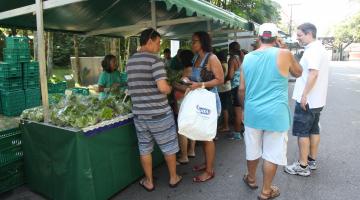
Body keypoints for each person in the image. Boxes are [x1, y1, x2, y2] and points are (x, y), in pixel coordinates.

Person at [239, 23, 302, 200]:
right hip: (276, 114)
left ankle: (251, 179)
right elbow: (298, 72)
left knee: (252, 149)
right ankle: (266, 191)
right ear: (276, 38)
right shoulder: (284, 54)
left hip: (253, 112)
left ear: (258, 38)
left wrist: (244, 109)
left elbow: (241, 90)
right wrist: (284, 48)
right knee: (272, 153)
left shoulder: (248, 58)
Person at [126, 28, 182, 191]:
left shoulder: (130, 62)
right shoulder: (155, 60)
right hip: (159, 114)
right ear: (149, 41)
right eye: (157, 43)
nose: (159, 47)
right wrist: (170, 88)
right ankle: (173, 178)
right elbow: (163, 88)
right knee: (169, 147)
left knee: (145, 148)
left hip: (140, 115)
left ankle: (149, 181)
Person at [285, 23, 329, 177]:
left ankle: (302, 166)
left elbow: (313, 74)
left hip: (308, 100)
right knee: (314, 129)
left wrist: (304, 95)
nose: (298, 38)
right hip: (317, 100)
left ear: (309, 33)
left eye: (300, 35)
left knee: (303, 132)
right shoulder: (319, 48)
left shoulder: (313, 50)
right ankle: (311, 160)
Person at [184, 31, 224, 182]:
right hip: (199, 102)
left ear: (202, 42)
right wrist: (187, 79)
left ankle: (209, 171)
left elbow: (220, 79)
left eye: (195, 41)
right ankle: (207, 163)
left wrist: (201, 84)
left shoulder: (211, 58)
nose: (192, 44)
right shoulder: (196, 58)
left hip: (209, 102)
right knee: (203, 134)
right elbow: (195, 78)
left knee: (208, 137)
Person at [172, 49, 196, 164]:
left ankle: (184, 156)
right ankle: (191, 150)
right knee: (191, 126)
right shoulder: (195, 69)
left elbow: (187, 88)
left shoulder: (187, 70)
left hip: (184, 103)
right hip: (191, 102)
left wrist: (174, 84)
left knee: (182, 130)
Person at [226, 41, 244, 140]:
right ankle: (243, 130)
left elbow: (230, 75)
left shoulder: (232, 60)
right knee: (242, 110)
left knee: (237, 112)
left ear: (230, 49)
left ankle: (237, 134)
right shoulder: (243, 58)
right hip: (244, 86)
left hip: (236, 87)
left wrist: (224, 80)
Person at [216, 50, 232, 133]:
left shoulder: (222, 65)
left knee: (224, 108)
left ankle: (226, 126)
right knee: (225, 108)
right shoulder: (226, 64)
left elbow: (219, 77)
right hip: (227, 88)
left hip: (223, 89)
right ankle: (225, 125)